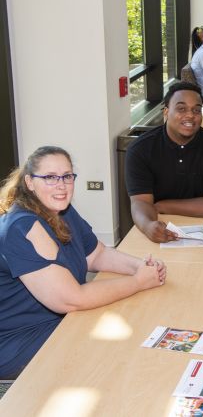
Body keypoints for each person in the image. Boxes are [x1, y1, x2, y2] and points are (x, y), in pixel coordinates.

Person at [0, 146, 166, 379]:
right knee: (118, 356)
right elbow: (71, 299)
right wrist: (138, 282)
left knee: (138, 323)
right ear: (29, 182)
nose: (61, 185)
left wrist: (139, 266)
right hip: (23, 339)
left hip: (62, 322)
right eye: (49, 177)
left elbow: (96, 254)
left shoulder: (62, 211)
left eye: (67, 176)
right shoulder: (22, 227)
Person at [125, 82, 203, 243]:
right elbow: (140, 202)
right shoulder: (140, 149)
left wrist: (161, 206)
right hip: (157, 222)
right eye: (181, 108)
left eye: (196, 110)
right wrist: (148, 226)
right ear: (166, 112)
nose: (190, 115)